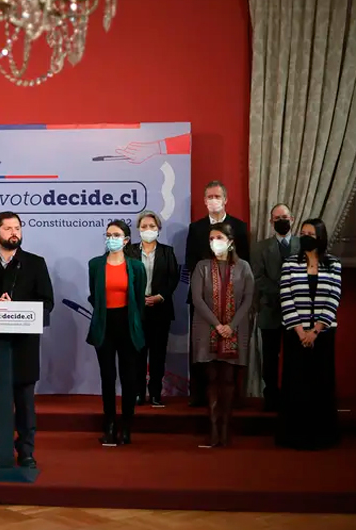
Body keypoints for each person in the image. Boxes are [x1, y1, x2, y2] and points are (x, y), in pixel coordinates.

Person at [0, 212, 54, 470]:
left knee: (24, 403)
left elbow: (47, 302)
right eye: (8, 228)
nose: (14, 232)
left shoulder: (35, 263)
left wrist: (16, 307)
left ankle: (26, 451)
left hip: (23, 346)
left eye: (17, 228)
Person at [276, 218, 342, 450]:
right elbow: (286, 297)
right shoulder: (289, 264)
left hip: (322, 335)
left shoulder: (333, 264)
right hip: (295, 334)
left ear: (320, 237)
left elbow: (333, 298)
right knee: (297, 383)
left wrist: (315, 331)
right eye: (302, 233)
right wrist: (300, 331)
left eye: (310, 234)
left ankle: (322, 435)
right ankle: (294, 435)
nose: (305, 237)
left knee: (321, 382)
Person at [185, 181, 249, 407]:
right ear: (204, 201)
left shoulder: (239, 227)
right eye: (209, 197)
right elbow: (190, 261)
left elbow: (245, 261)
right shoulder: (196, 228)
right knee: (201, 348)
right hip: (203, 296)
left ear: (225, 199)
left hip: (232, 297)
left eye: (217, 196)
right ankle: (199, 395)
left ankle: (232, 397)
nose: (213, 200)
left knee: (232, 346)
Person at [191, 223, 254, 448]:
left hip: (235, 330)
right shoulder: (202, 266)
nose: (214, 242)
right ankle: (213, 427)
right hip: (207, 329)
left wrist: (231, 326)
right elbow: (197, 299)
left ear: (230, 242)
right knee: (212, 379)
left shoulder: (244, 267)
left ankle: (226, 427)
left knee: (228, 379)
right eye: (211, 239)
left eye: (219, 238)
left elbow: (248, 298)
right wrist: (218, 325)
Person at [87, 220, 146, 445]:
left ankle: (127, 425)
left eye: (116, 235)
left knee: (129, 378)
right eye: (109, 234)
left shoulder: (136, 267)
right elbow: (94, 295)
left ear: (126, 240)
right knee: (108, 377)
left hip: (128, 325)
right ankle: (109, 424)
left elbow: (139, 299)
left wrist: (136, 323)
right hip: (105, 326)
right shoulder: (95, 265)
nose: (111, 238)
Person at [125, 211, 180, 407]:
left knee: (158, 355)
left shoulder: (167, 252)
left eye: (152, 226)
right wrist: (138, 297)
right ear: (138, 229)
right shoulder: (130, 251)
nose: (148, 230)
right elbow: (124, 277)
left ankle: (156, 393)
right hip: (137, 310)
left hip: (160, 310)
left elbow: (173, 278)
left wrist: (160, 296)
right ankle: (138, 393)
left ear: (158, 229)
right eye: (144, 227)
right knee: (137, 355)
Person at [251, 204, 299, 412]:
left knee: (294, 357)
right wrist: (282, 292)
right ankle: (270, 395)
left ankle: (293, 396)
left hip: (297, 312)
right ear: (271, 221)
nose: (281, 221)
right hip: (270, 309)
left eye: (285, 217)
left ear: (292, 219)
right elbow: (257, 278)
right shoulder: (260, 248)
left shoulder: (302, 245)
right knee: (270, 357)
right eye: (277, 218)